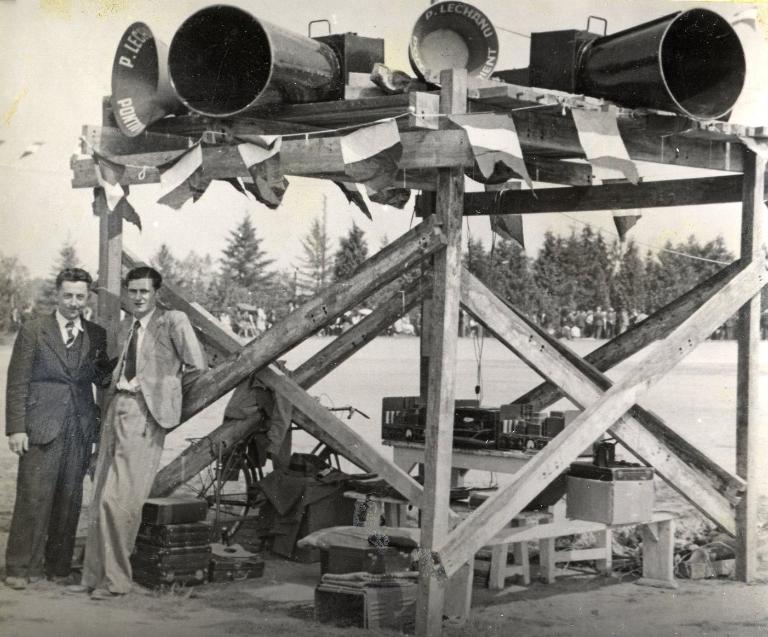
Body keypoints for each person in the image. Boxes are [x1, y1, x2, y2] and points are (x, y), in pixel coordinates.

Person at [69, 266, 206, 600]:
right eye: (133, 291)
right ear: (127, 293)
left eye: (145, 291)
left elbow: (197, 366)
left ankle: (116, 581)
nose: (138, 297)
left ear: (156, 293)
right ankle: (92, 576)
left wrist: (163, 399)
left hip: (145, 415)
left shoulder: (173, 321)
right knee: (100, 495)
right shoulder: (126, 325)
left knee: (120, 502)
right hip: (117, 407)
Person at [4, 268, 112, 590]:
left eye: (81, 296)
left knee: (70, 499)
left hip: (79, 428)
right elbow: (17, 383)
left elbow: (102, 376)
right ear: (57, 294)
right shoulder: (34, 330)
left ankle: (59, 567)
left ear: (87, 296)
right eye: (68, 295)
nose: (74, 302)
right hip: (41, 427)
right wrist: (16, 429)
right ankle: (20, 568)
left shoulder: (96, 334)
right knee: (33, 498)